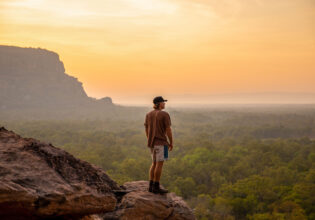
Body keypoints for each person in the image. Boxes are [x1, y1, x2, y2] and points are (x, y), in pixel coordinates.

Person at [144, 96, 173, 194]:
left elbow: (146, 129)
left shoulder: (148, 114)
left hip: (152, 143)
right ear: (158, 104)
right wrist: (171, 142)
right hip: (161, 142)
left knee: (154, 163)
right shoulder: (164, 114)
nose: (164, 104)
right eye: (163, 102)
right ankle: (156, 186)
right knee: (159, 164)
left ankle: (151, 186)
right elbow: (168, 130)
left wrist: (149, 139)